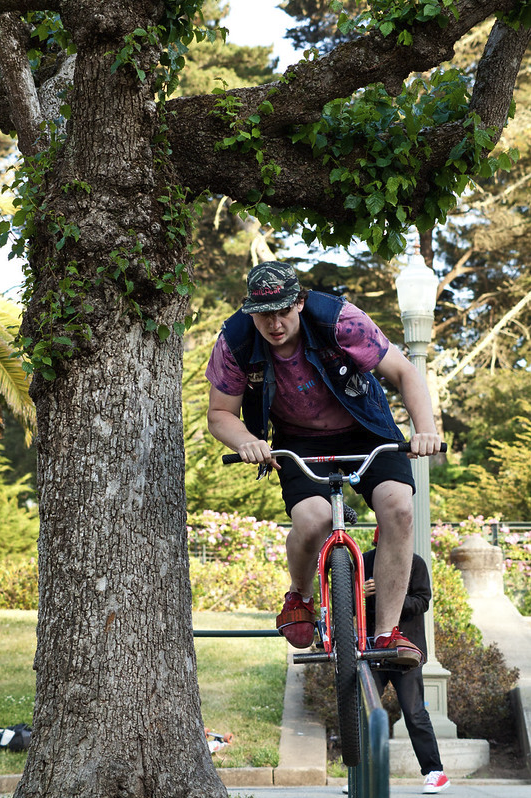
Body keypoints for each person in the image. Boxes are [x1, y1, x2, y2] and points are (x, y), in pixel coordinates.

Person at [205, 261, 442, 667]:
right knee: (313, 519)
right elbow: (219, 413)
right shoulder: (236, 341)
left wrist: (426, 430)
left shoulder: (340, 321)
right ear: (250, 311)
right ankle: (300, 596)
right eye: (264, 315)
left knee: (399, 508)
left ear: (300, 301)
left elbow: (404, 372)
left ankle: (387, 632)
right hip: (298, 439)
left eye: (283, 311)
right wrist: (247, 441)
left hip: (366, 428)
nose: (275, 324)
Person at [343, 529, 450, 794]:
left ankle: (435, 772)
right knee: (362, 712)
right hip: (371, 649)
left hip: (406, 651)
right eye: (381, 545)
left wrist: (392, 596)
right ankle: (359, 774)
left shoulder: (415, 563)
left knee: (414, 712)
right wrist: (360, 594)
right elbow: (344, 606)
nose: (386, 549)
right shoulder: (363, 561)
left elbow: (422, 601)